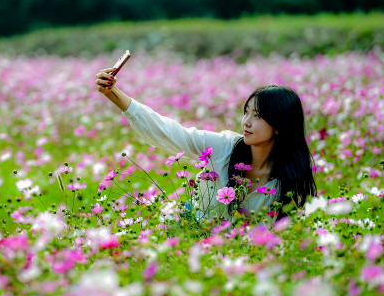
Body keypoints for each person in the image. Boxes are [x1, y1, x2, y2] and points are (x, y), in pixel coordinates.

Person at [94, 64, 317, 220]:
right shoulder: (224, 147)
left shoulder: (290, 179)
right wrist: (113, 93)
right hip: (190, 232)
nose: (246, 122)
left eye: (257, 116)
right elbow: (169, 132)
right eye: (246, 112)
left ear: (279, 125)